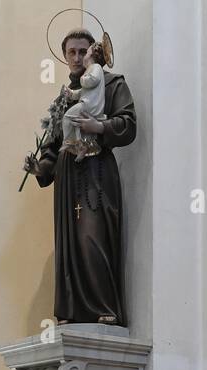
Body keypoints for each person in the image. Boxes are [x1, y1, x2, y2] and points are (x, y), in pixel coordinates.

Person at [22, 27, 136, 326]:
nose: (76, 57)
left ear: (92, 52)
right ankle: (71, 312)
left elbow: (128, 123)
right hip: (67, 176)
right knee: (68, 242)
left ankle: (104, 306)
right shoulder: (63, 98)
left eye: (82, 51)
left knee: (92, 236)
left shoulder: (111, 84)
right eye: (71, 52)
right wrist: (40, 168)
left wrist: (99, 127)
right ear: (64, 56)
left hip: (96, 171)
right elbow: (52, 144)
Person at [60, 40, 109, 159]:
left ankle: (68, 142)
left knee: (67, 118)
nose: (78, 59)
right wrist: (71, 94)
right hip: (87, 103)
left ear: (91, 55)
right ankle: (81, 145)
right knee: (75, 122)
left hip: (89, 105)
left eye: (84, 52)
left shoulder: (95, 67)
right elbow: (83, 92)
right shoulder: (91, 69)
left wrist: (83, 79)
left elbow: (91, 81)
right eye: (72, 52)